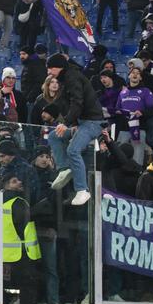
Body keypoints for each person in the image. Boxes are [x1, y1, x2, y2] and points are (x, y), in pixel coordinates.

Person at [46, 53, 103, 206]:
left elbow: (77, 102)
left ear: (59, 68)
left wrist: (66, 122)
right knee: (53, 136)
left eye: (51, 69)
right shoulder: (67, 76)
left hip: (92, 123)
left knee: (73, 150)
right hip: (81, 122)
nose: (49, 72)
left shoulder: (72, 77)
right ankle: (65, 168)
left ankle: (82, 190)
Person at [0, 173, 41, 304]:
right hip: (21, 250)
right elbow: (23, 225)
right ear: (5, 185)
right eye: (14, 181)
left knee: (4, 284)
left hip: (4, 252)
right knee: (27, 283)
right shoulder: (18, 202)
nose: (19, 182)